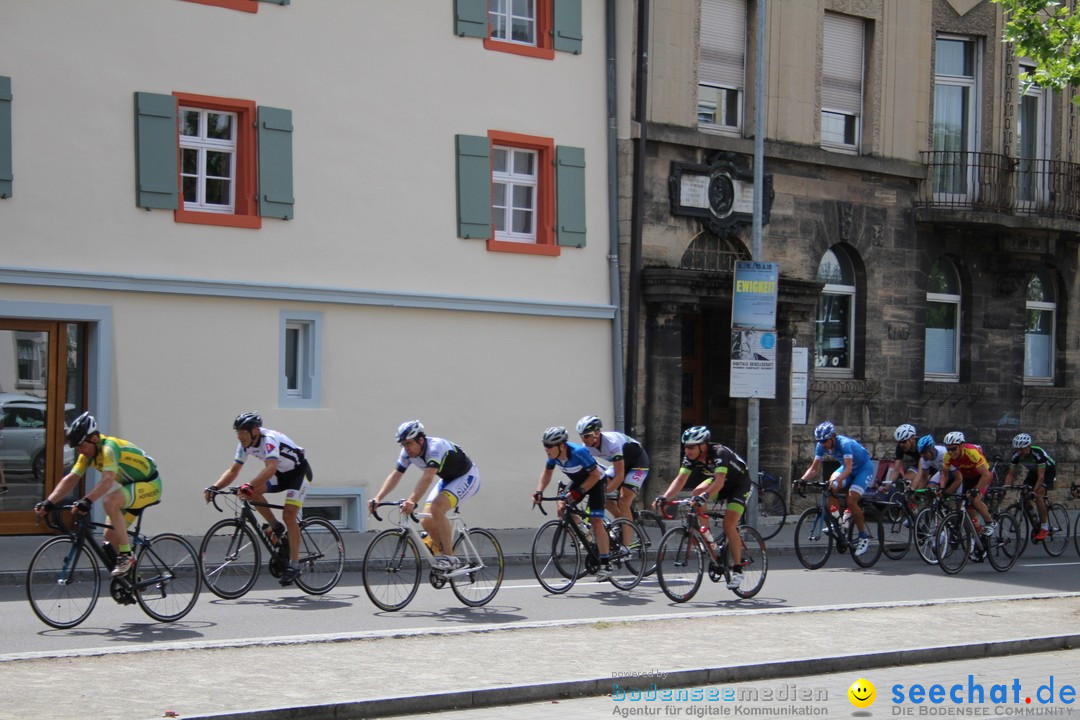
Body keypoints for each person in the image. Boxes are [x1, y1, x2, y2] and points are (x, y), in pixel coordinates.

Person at [34, 412, 162, 576]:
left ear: (94, 439)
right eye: (77, 448)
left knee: (110, 501)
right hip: (131, 488)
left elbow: (108, 480)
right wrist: (48, 502)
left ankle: (127, 555)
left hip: (150, 485)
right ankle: (134, 579)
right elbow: (71, 479)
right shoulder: (88, 454)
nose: (80, 451)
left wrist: (87, 500)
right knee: (109, 537)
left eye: (81, 446)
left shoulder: (109, 448)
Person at [204, 412, 313, 586]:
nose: (240, 437)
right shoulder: (244, 444)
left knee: (289, 515)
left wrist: (249, 484)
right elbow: (233, 470)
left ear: (255, 431)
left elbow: (270, 468)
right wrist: (215, 487)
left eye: (243, 433)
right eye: (238, 433)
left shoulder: (269, 439)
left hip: (298, 474)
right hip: (280, 474)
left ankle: (294, 565)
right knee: (252, 492)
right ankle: (276, 528)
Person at [369, 421, 481, 571]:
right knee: (425, 520)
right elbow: (396, 475)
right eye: (403, 444)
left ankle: (450, 558)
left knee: (437, 508)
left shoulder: (435, 448)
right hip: (447, 480)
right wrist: (378, 498)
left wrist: (412, 501)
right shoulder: (407, 452)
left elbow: (428, 478)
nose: (406, 448)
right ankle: (443, 557)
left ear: (421, 440)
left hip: (467, 476)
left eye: (409, 443)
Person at [653, 426, 751, 589]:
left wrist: (704, 497)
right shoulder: (690, 457)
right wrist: (665, 497)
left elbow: (719, 481)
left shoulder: (719, 453)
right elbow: (680, 479)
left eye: (691, 447)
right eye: (685, 446)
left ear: (703, 445)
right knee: (696, 491)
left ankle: (738, 569)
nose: (687, 450)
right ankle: (708, 538)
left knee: (729, 524)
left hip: (739, 485)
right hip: (721, 483)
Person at [532, 426, 614, 581]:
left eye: (549, 446)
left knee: (597, 521)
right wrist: (539, 491)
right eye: (545, 445)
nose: (546, 449)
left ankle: (605, 563)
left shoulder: (578, 452)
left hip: (596, 482)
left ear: (561, 446)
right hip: (578, 481)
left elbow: (595, 475)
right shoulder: (553, 455)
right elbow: (548, 472)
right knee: (562, 508)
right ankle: (586, 534)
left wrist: (579, 492)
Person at [798, 421, 874, 556]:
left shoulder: (845, 444)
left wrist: (836, 481)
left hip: (863, 469)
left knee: (851, 500)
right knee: (831, 487)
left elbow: (850, 468)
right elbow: (814, 468)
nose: (823, 444)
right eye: (820, 441)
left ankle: (863, 537)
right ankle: (838, 521)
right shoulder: (821, 446)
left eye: (825, 441)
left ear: (832, 437)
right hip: (846, 468)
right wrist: (802, 480)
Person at [575, 415, 649, 545]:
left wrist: (602, 493)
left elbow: (620, 476)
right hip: (619, 464)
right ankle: (620, 522)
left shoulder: (612, 443)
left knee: (623, 500)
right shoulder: (586, 448)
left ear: (597, 433)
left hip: (637, 464)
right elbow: (588, 472)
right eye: (581, 436)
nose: (584, 439)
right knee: (603, 493)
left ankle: (626, 546)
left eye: (587, 436)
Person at [939, 430, 996, 539]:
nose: (950, 452)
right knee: (968, 507)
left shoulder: (972, 453)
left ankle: (989, 523)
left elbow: (986, 474)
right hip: (968, 478)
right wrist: (942, 488)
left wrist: (977, 489)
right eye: (948, 449)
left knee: (975, 499)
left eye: (953, 449)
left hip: (982, 476)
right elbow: (944, 474)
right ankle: (977, 532)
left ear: (962, 446)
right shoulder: (948, 457)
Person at [1003, 432, 1056, 542]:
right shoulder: (1016, 455)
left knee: (1037, 495)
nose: (1019, 452)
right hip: (1033, 472)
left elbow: (1041, 477)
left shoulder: (1037, 453)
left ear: (1028, 447)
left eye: (1021, 449)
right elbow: (1010, 474)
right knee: (1024, 494)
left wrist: (1034, 492)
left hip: (1048, 472)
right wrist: (1005, 489)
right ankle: (1036, 521)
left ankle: (1044, 527)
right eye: (1017, 449)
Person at [887, 423, 921, 489]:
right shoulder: (900, 447)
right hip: (921, 464)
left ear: (912, 438)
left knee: (919, 485)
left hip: (932, 464)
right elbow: (896, 470)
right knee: (907, 481)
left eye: (904, 441)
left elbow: (921, 471)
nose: (901, 445)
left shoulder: (921, 445)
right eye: (899, 442)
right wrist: (887, 486)